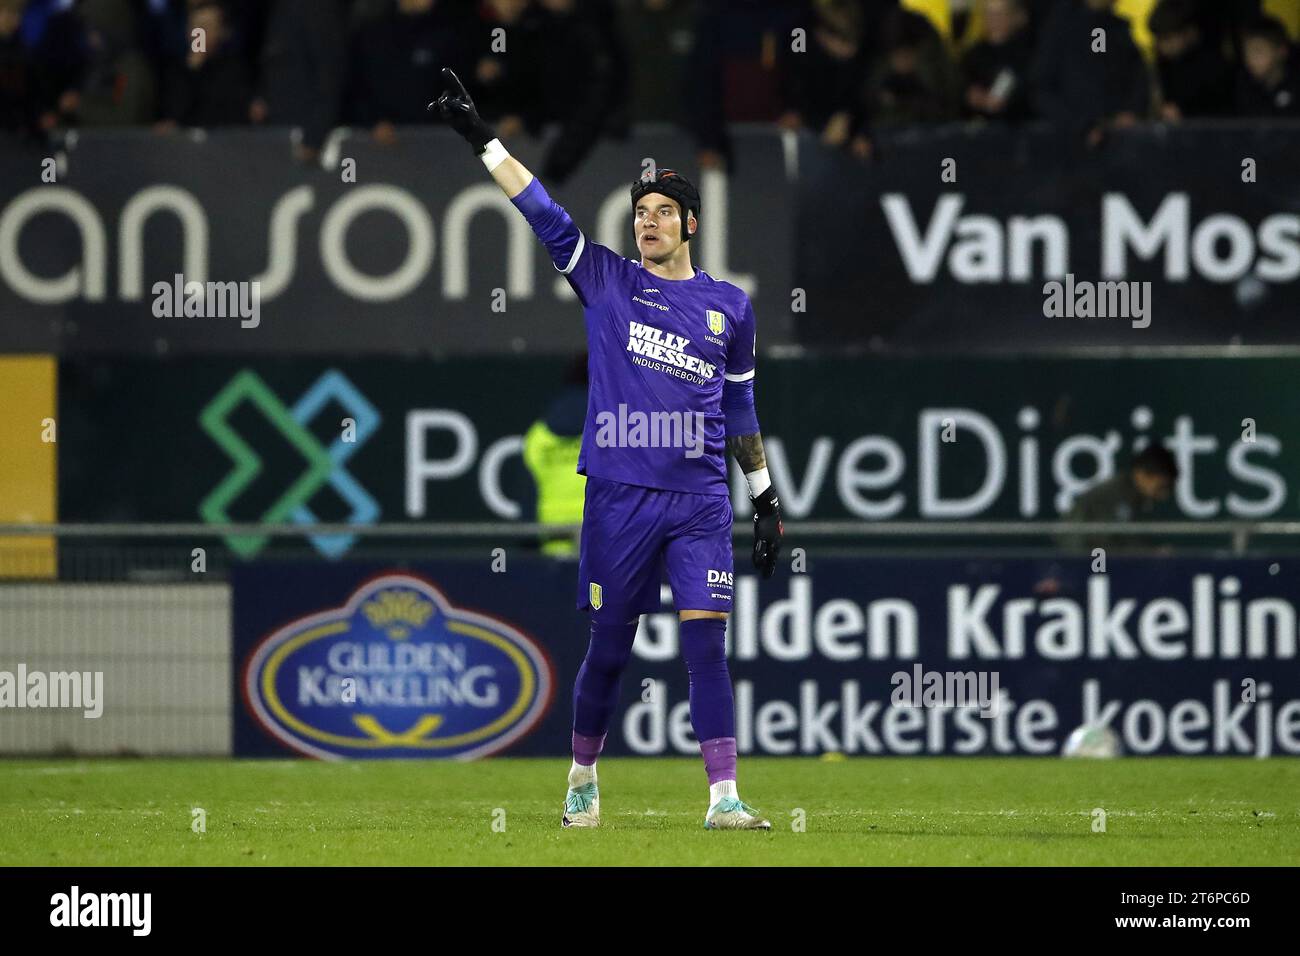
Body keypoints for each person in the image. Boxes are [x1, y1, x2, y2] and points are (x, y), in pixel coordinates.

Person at [432, 68, 784, 831]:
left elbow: (741, 404)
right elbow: (542, 211)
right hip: (620, 497)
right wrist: (482, 139)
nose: (647, 222)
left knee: (706, 646)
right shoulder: (606, 280)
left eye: (664, 212)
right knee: (610, 655)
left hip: (698, 501)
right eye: (640, 213)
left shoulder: (731, 306)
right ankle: (583, 774)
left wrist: (765, 498)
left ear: (691, 224)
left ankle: (723, 798)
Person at [1060, 443, 1179, 553]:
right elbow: (1106, 544)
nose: (1164, 494)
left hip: (1097, 562)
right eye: (1161, 487)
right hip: (1081, 562)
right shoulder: (1112, 495)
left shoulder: (1135, 497)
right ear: (1141, 474)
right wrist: (1150, 554)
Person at [1236, 13, 1300, 118]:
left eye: (1258, 51)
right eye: (1246, 52)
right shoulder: (1242, 86)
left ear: (1281, 51)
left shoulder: (1296, 85)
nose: (1250, 59)